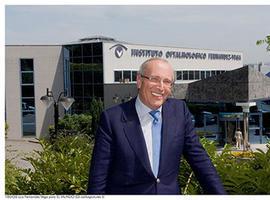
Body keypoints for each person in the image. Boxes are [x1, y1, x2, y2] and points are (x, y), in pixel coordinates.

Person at [87, 58, 226, 195]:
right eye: (154, 79)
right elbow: (98, 177)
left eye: (167, 82)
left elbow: (200, 160)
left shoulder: (179, 111)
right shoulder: (112, 119)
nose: (161, 87)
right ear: (139, 81)